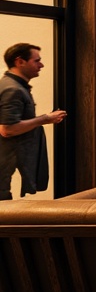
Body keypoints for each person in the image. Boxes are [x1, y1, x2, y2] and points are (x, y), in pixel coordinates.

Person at [0, 43, 67, 200]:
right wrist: (45, 119)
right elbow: (7, 129)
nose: (41, 65)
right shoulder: (13, 89)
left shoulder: (11, 85)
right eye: (36, 61)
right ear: (20, 62)